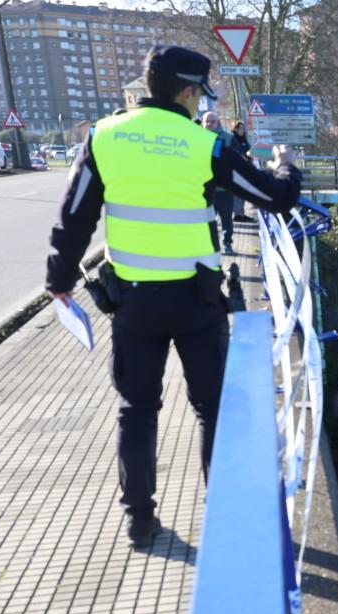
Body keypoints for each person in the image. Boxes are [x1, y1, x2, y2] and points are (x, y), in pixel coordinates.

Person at [45, 44, 303, 549]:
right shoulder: (201, 144)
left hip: (133, 302)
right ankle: (224, 514)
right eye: (199, 92)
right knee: (212, 408)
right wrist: (286, 164)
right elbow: (274, 197)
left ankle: (140, 521)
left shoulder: (104, 135)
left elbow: (74, 216)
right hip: (196, 301)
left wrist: (59, 280)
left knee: (136, 409)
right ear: (189, 92)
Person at [200, 111, 236, 254]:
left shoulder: (228, 138)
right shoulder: (194, 138)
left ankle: (227, 243)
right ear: (202, 122)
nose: (209, 124)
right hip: (202, 188)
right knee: (206, 220)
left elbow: (236, 160)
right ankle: (207, 246)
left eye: (213, 121)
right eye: (207, 121)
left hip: (224, 188)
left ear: (218, 123)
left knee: (226, 218)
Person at [230, 120, 252, 221]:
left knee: (243, 192)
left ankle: (241, 213)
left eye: (243, 128)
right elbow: (235, 152)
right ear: (236, 128)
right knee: (238, 193)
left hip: (245, 169)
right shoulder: (233, 139)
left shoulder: (243, 139)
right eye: (240, 128)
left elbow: (247, 150)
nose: (242, 130)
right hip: (237, 170)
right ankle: (237, 214)